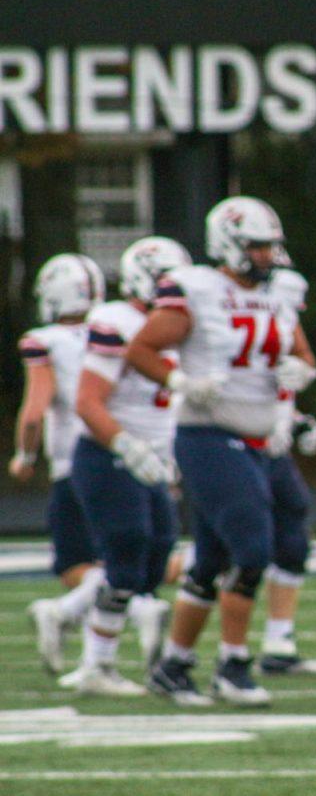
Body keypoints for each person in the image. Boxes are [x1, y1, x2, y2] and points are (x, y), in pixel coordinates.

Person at [129, 196, 316, 706]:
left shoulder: (278, 293)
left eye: (270, 246)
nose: (267, 256)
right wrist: (180, 381)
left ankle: (173, 665)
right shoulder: (197, 289)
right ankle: (233, 664)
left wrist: (299, 371)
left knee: (211, 560)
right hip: (208, 435)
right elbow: (141, 348)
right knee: (253, 549)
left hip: (256, 441)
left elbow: (303, 353)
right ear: (229, 246)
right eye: (257, 247)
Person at [60, 237, 191, 695]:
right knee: (128, 550)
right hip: (109, 454)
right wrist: (125, 445)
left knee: (157, 552)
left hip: (153, 458)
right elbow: (87, 401)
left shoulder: (178, 326)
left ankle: (70, 619)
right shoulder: (115, 321)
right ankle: (97, 662)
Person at [12, 254, 107, 674]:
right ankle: (98, 650)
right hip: (128, 449)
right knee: (110, 557)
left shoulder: (46, 340)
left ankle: (74, 612)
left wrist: (25, 454)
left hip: (77, 460)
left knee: (74, 562)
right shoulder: (117, 330)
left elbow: (35, 411)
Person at [258, 264, 316, 674]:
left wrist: (296, 421)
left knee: (293, 538)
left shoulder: (278, 328)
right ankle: (121, 596)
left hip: (272, 451)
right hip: (238, 447)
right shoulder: (236, 329)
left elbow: (282, 386)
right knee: (234, 548)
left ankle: (277, 641)